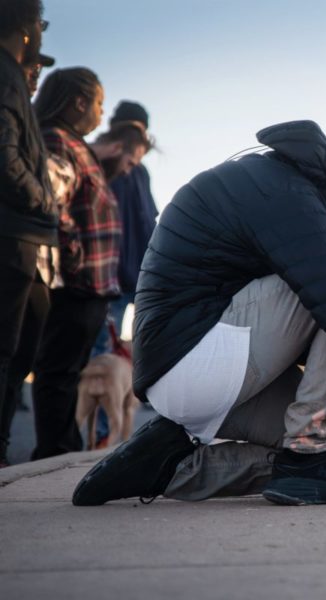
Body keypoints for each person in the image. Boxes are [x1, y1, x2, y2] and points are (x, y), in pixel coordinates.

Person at [72, 120, 326, 507]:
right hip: (195, 354)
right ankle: (309, 449)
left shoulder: (299, 205)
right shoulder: (286, 191)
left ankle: (166, 468)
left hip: (209, 373)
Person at [30, 67, 150, 459]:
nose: (99, 112)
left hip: (103, 285)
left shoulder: (84, 150)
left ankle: (73, 447)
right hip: (85, 283)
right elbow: (56, 206)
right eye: (97, 102)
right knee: (68, 371)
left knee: (74, 368)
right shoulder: (65, 144)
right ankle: (71, 447)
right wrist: (77, 261)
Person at [0, 0, 52, 467]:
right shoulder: (5, 76)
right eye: (41, 22)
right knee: (6, 348)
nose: (42, 31)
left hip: (24, 233)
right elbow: (5, 152)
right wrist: (40, 197)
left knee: (19, 348)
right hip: (15, 232)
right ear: (25, 25)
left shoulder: (12, 78)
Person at [93, 100, 157, 355]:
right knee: (103, 347)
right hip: (111, 277)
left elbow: (148, 220)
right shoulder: (102, 162)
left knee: (144, 345)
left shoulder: (141, 172)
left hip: (141, 276)